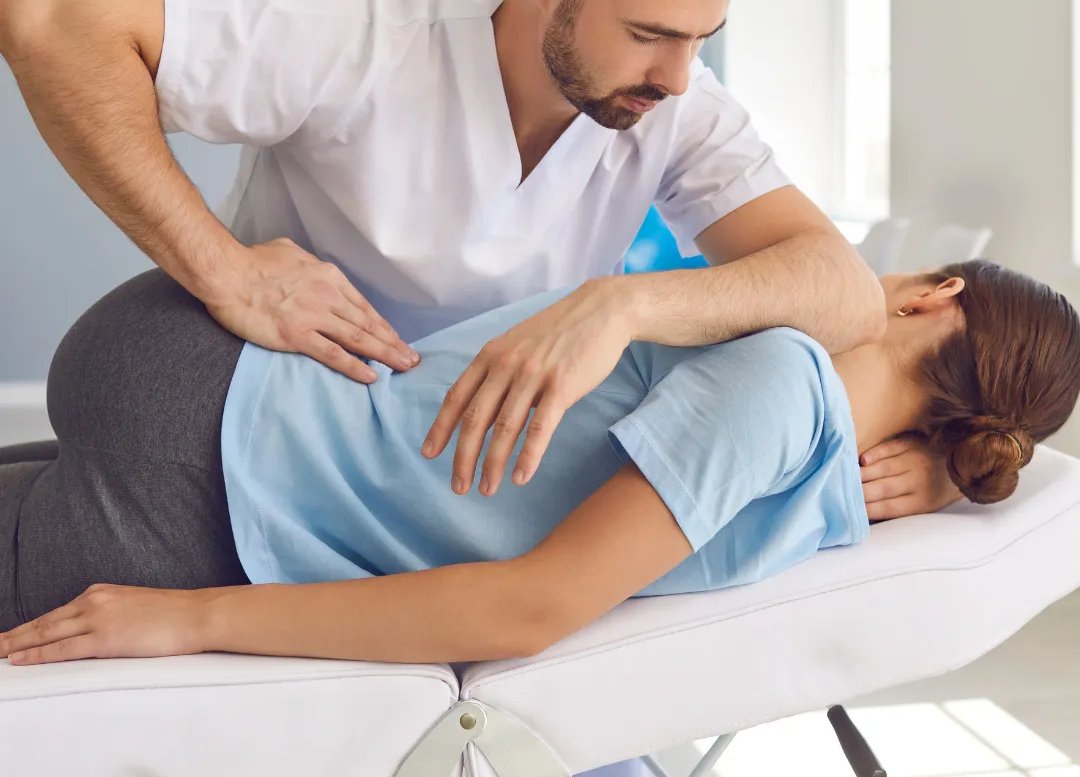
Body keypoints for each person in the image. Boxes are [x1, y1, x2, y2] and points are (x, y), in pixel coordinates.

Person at [0, 0, 952, 520]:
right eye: (650, 33)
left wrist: (619, 304)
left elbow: (840, 288)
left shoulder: (674, 101)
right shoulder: (371, 35)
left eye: (704, 38)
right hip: (253, 433)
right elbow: (51, 25)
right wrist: (226, 272)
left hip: (447, 488)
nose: (678, 74)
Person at [0, 258, 1076, 667]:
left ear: (935, 292)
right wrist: (945, 470)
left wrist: (188, 620)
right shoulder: (816, 447)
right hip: (217, 444)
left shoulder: (785, 389)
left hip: (217, 464)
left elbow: (526, 608)